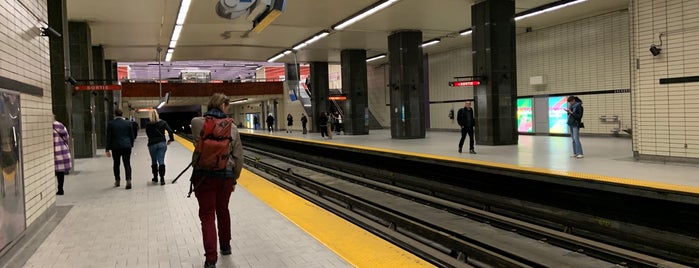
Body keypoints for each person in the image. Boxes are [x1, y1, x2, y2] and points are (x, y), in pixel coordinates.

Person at [190, 93, 244, 268]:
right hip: (225, 176)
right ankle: (226, 246)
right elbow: (239, 157)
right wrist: (234, 179)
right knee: (223, 210)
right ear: (224, 106)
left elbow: (197, 145)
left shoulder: (197, 123)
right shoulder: (232, 128)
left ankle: (210, 259)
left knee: (207, 215)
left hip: (203, 176)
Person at [106, 109, 136, 189]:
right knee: (127, 163)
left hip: (115, 147)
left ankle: (117, 180)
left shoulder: (111, 124)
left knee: (116, 164)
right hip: (126, 146)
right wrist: (131, 144)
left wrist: (107, 149)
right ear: (122, 114)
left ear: (114, 114)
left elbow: (108, 137)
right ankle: (128, 180)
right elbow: (131, 135)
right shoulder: (128, 123)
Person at [145, 110, 174, 185]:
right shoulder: (163, 122)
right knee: (161, 160)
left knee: (154, 161)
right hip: (162, 143)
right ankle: (162, 179)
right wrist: (171, 139)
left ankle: (155, 177)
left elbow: (148, 134)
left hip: (152, 144)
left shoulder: (148, 124)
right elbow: (170, 131)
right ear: (157, 114)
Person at [53, 116, 71, 195]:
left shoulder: (46, 126)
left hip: (52, 150)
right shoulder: (59, 125)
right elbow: (66, 136)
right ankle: (60, 188)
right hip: (60, 150)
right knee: (60, 172)